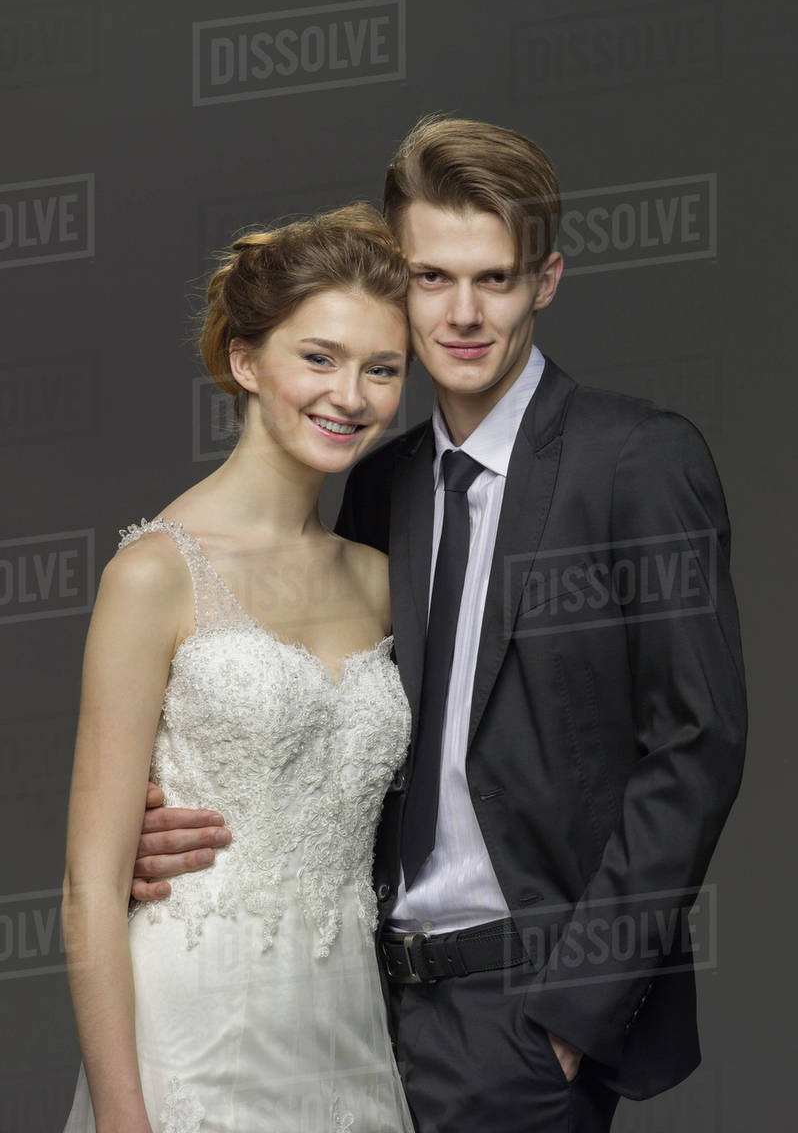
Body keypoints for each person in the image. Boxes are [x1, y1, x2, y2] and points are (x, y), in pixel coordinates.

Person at [130, 117, 747, 1133]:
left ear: (545, 280)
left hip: (525, 1015)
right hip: (352, 1009)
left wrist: (571, 1020)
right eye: (430, 278)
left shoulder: (639, 464)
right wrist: (173, 824)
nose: (462, 315)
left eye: (494, 280)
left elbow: (699, 744)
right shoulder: (379, 486)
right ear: (397, 281)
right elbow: (328, 715)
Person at [61, 203, 417, 1132]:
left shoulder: (384, 582)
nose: (352, 395)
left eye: (382, 369)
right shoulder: (154, 574)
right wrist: (122, 1117)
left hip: (348, 1040)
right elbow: (90, 888)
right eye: (320, 357)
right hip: (192, 1037)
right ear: (246, 361)